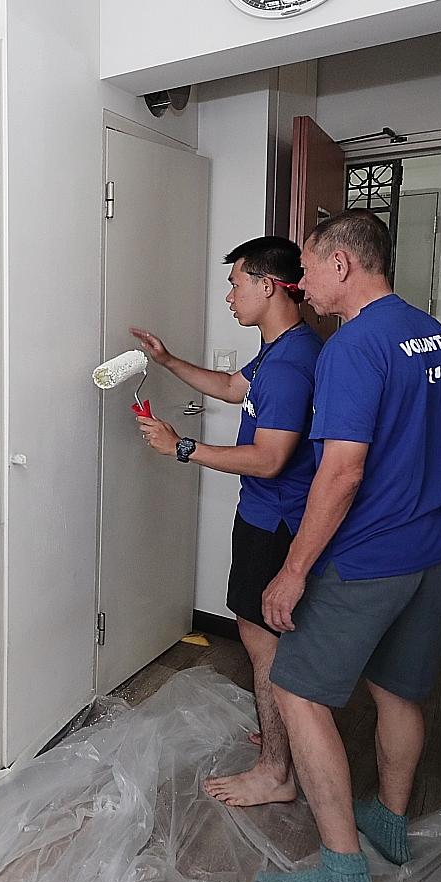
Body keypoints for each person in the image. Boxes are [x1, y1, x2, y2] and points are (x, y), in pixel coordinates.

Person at [254, 211, 441, 882]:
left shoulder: (350, 347)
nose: (300, 282)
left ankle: (343, 875)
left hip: (370, 556)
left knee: (296, 689)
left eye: (308, 268)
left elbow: (341, 473)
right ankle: (391, 823)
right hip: (434, 550)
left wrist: (293, 570)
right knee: (397, 689)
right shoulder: (430, 333)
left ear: (342, 265)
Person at [130, 235, 322, 808]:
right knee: (259, 634)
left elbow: (270, 458)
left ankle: (276, 771)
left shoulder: (291, 366)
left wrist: (182, 448)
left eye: (237, 283)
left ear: (268, 286)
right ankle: (280, 739)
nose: (230, 295)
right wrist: (167, 361)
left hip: (277, 520)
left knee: (262, 642)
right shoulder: (279, 351)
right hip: (264, 515)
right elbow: (232, 389)